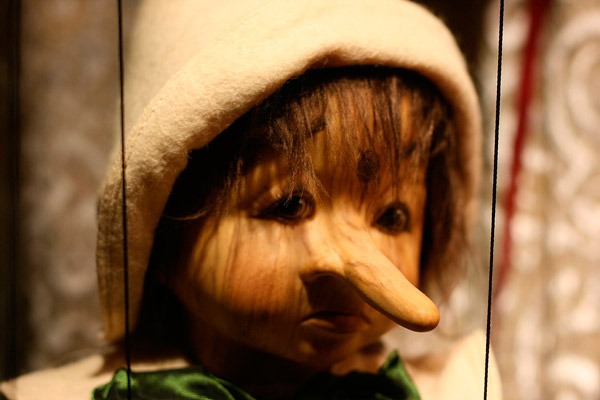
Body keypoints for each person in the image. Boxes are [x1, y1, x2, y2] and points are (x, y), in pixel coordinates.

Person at [1, 0, 501, 398]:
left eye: (391, 216)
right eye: (289, 205)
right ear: (160, 226)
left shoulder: (450, 388)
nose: (359, 265)